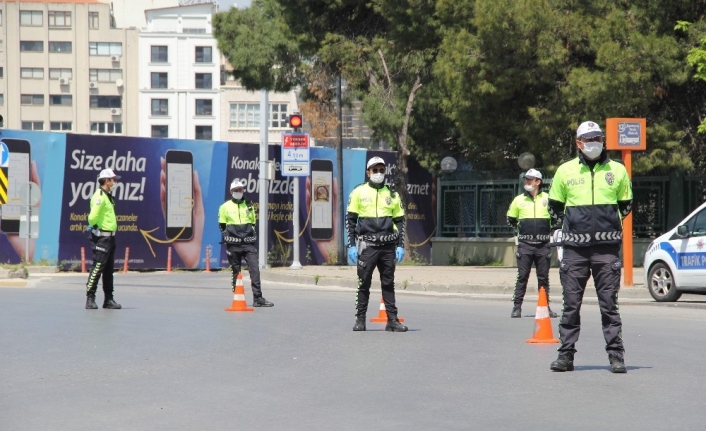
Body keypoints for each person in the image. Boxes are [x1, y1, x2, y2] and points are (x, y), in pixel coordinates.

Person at [548, 121, 633, 374]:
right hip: (574, 250)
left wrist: (607, 225)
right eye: (588, 138)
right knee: (571, 305)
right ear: (578, 143)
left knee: (609, 304)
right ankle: (565, 356)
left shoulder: (617, 170)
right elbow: (554, 206)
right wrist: (572, 229)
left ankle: (616, 356)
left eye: (597, 137)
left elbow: (625, 205)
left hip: (606, 250)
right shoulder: (565, 171)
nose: (594, 142)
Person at [346, 156, 407, 332]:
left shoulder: (392, 194)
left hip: (388, 246)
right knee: (363, 283)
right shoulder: (358, 192)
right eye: (375, 170)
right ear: (368, 172)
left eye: (381, 170)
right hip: (368, 245)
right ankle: (360, 320)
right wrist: (351, 245)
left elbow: (400, 221)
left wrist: (400, 245)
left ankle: (392, 320)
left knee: (388, 283)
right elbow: (350, 220)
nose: (378, 173)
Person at [506, 168, 557, 319]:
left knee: (543, 278)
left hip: (543, 245)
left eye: (530, 179)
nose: (526, 182)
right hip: (525, 245)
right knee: (522, 277)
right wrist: (522, 231)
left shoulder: (548, 199)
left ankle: (545, 308)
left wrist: (549, 232)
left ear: (538, 182)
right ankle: (516, 308)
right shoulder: (519, 200)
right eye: (526, 179)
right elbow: (510, 219)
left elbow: (556, 218)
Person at [218, 179, 273, 307]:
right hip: (233, 244)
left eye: (241, 189)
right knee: (235, 271)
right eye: (236, 190)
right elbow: (222, 225)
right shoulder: (224, 207)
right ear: (231, 192)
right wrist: (228, 236)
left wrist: (250, 233)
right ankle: (237, 296)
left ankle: (258, 298)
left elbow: (253, 222)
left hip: (248, 243)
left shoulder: (249, 205)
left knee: (255, 270)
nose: (239, 192)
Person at [85, 168, 122, 310]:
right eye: (113, 179)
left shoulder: (108, 196)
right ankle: (90, 298)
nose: (115, 182)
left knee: (108, 271)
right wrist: (94, 227)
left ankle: (108, 299)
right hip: (102, 239)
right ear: (107, 181)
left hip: (110, 239)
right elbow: (92, 217)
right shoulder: (100, 196)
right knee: (97, 268)